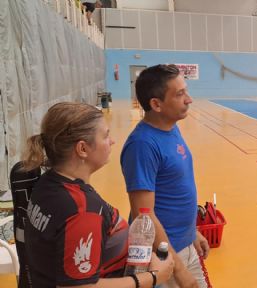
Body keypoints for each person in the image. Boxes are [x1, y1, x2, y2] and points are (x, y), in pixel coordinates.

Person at [21, 102, 175, 287]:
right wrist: (153, 277)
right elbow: (81, 287)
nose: (112, 141)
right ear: (83, 149)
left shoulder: (48, 183)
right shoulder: (82, 210)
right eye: (105, 135)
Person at [120, 64, 209, 288]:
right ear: (156, 104)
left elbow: (174, 190)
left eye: (185, 91)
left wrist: (193, 233)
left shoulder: (171, 128)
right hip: (162, 257)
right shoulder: (142, 145)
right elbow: (144, 215)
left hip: (184, 244)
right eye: (179, 94)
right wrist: (178, 269)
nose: (188, 99)